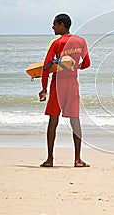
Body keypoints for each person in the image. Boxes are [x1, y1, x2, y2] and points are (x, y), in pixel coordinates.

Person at [39, 13, 91, 167]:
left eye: (54, 24)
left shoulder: (56, 43)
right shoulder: (81, 41)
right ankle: (77, 160)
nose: (53, 27)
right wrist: (75, 66)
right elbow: (87, 63)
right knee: (75, 120)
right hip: (72, 84)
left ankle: (50, 160)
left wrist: (43, 88)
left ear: (62, 25)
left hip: (58, 84)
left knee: (53, 120)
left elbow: (46, 68)